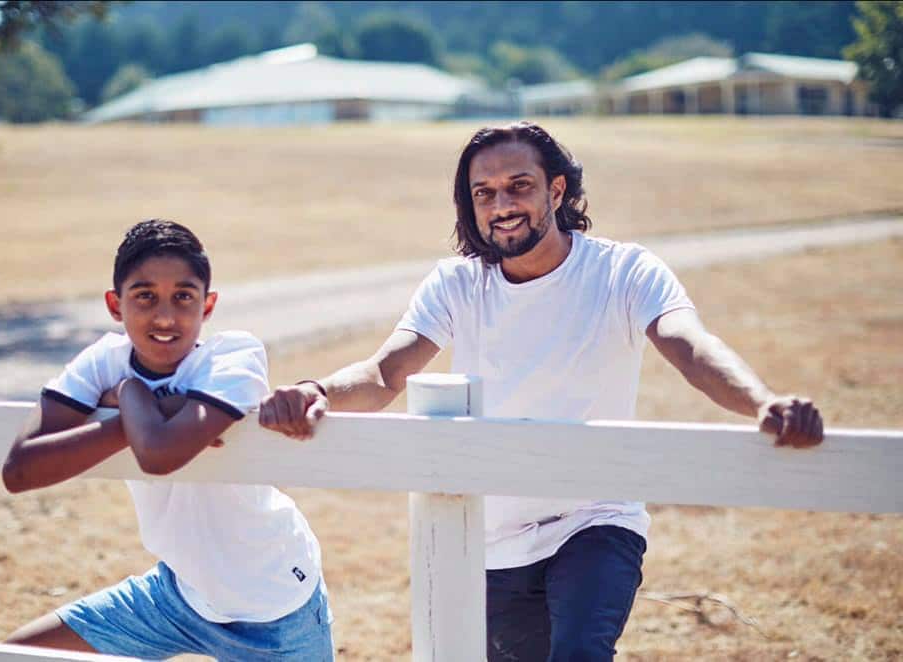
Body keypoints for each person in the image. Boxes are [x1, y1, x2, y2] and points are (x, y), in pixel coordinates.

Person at [258, 122, 824, 661]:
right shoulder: (458, 284)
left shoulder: (623, 271)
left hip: (595, 519)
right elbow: (386, 374)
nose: (501, 205)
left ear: (556, 189)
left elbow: (690, 347)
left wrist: (762, 402)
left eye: (518, 186)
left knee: (579, 653)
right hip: (489, 538)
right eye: (484, 193)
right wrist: (316, 390)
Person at [1, 220, 332, 661]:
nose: (164, 317)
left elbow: (159, 455)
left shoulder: (232, 357)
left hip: (274, 604)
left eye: (183, 297)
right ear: (115, 305)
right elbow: (20, 470)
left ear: (207, 305)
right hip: (178, 594)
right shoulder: (105, 359)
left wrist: (129, 394)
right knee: (8, 655)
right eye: (144, 296)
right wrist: (139, 416)